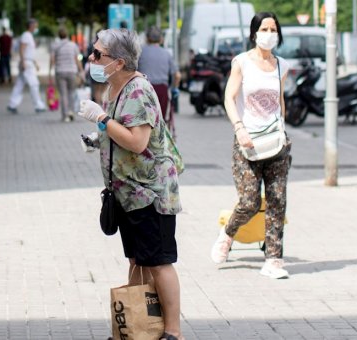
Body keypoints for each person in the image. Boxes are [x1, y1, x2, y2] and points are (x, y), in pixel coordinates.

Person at [77, 28, 184, 340]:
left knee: (159, 262)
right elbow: (118, 131)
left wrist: (101, 120)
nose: (91, 58)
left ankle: (173, 333)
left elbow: (137, 142)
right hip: (128, 193)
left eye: (98, 54)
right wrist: (97, 139)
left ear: (119, 62)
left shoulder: (138, 91)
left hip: (150, 193)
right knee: (138, 259)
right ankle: (138, 326)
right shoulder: (115, 88)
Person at [210, 12, 291, 279]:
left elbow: (279, 100)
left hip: (276, 143)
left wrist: (283, 128)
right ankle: (228, 233)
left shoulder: (282, 65)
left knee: (277, 201)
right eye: (264, 28)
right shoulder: (242, 62)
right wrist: (239, 128)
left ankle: (274, 260)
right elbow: (229, 98)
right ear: (254, 33)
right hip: (247, 143)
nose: (269, 33)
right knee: (250, 201)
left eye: (273, 29)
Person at [137, 26, 181, 136]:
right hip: (162, 91)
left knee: (143, 121)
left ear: (147, 38)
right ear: (161, 39)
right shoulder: (167, 54)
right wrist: (174, 89)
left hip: (144, 89)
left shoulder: (140, 52)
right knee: (159, 121)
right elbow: (177, 75)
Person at [7, 18, 46, 114]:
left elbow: (29, 52)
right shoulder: (26, 35)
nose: (36, 27)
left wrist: (34, 63)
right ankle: (38, 105)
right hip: (27, 64)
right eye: (36, 25)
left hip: (28, 62)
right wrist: (23, 61)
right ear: (31, 25)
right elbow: (22, 49)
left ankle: (12, 104)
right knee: (34, 84)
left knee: (19, 84)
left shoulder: (28, 36)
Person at [49, 27, 84, 122]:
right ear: (67, 35)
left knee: (63, 94)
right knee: (71, 92)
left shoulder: (55, 45)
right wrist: (81, 71)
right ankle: (71, 111)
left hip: (60, 72)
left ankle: (65, 116)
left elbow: (52, 60)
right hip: (72, 71)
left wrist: (50, 72)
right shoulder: (73, 45)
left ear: (59, 35)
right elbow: (77, 59)